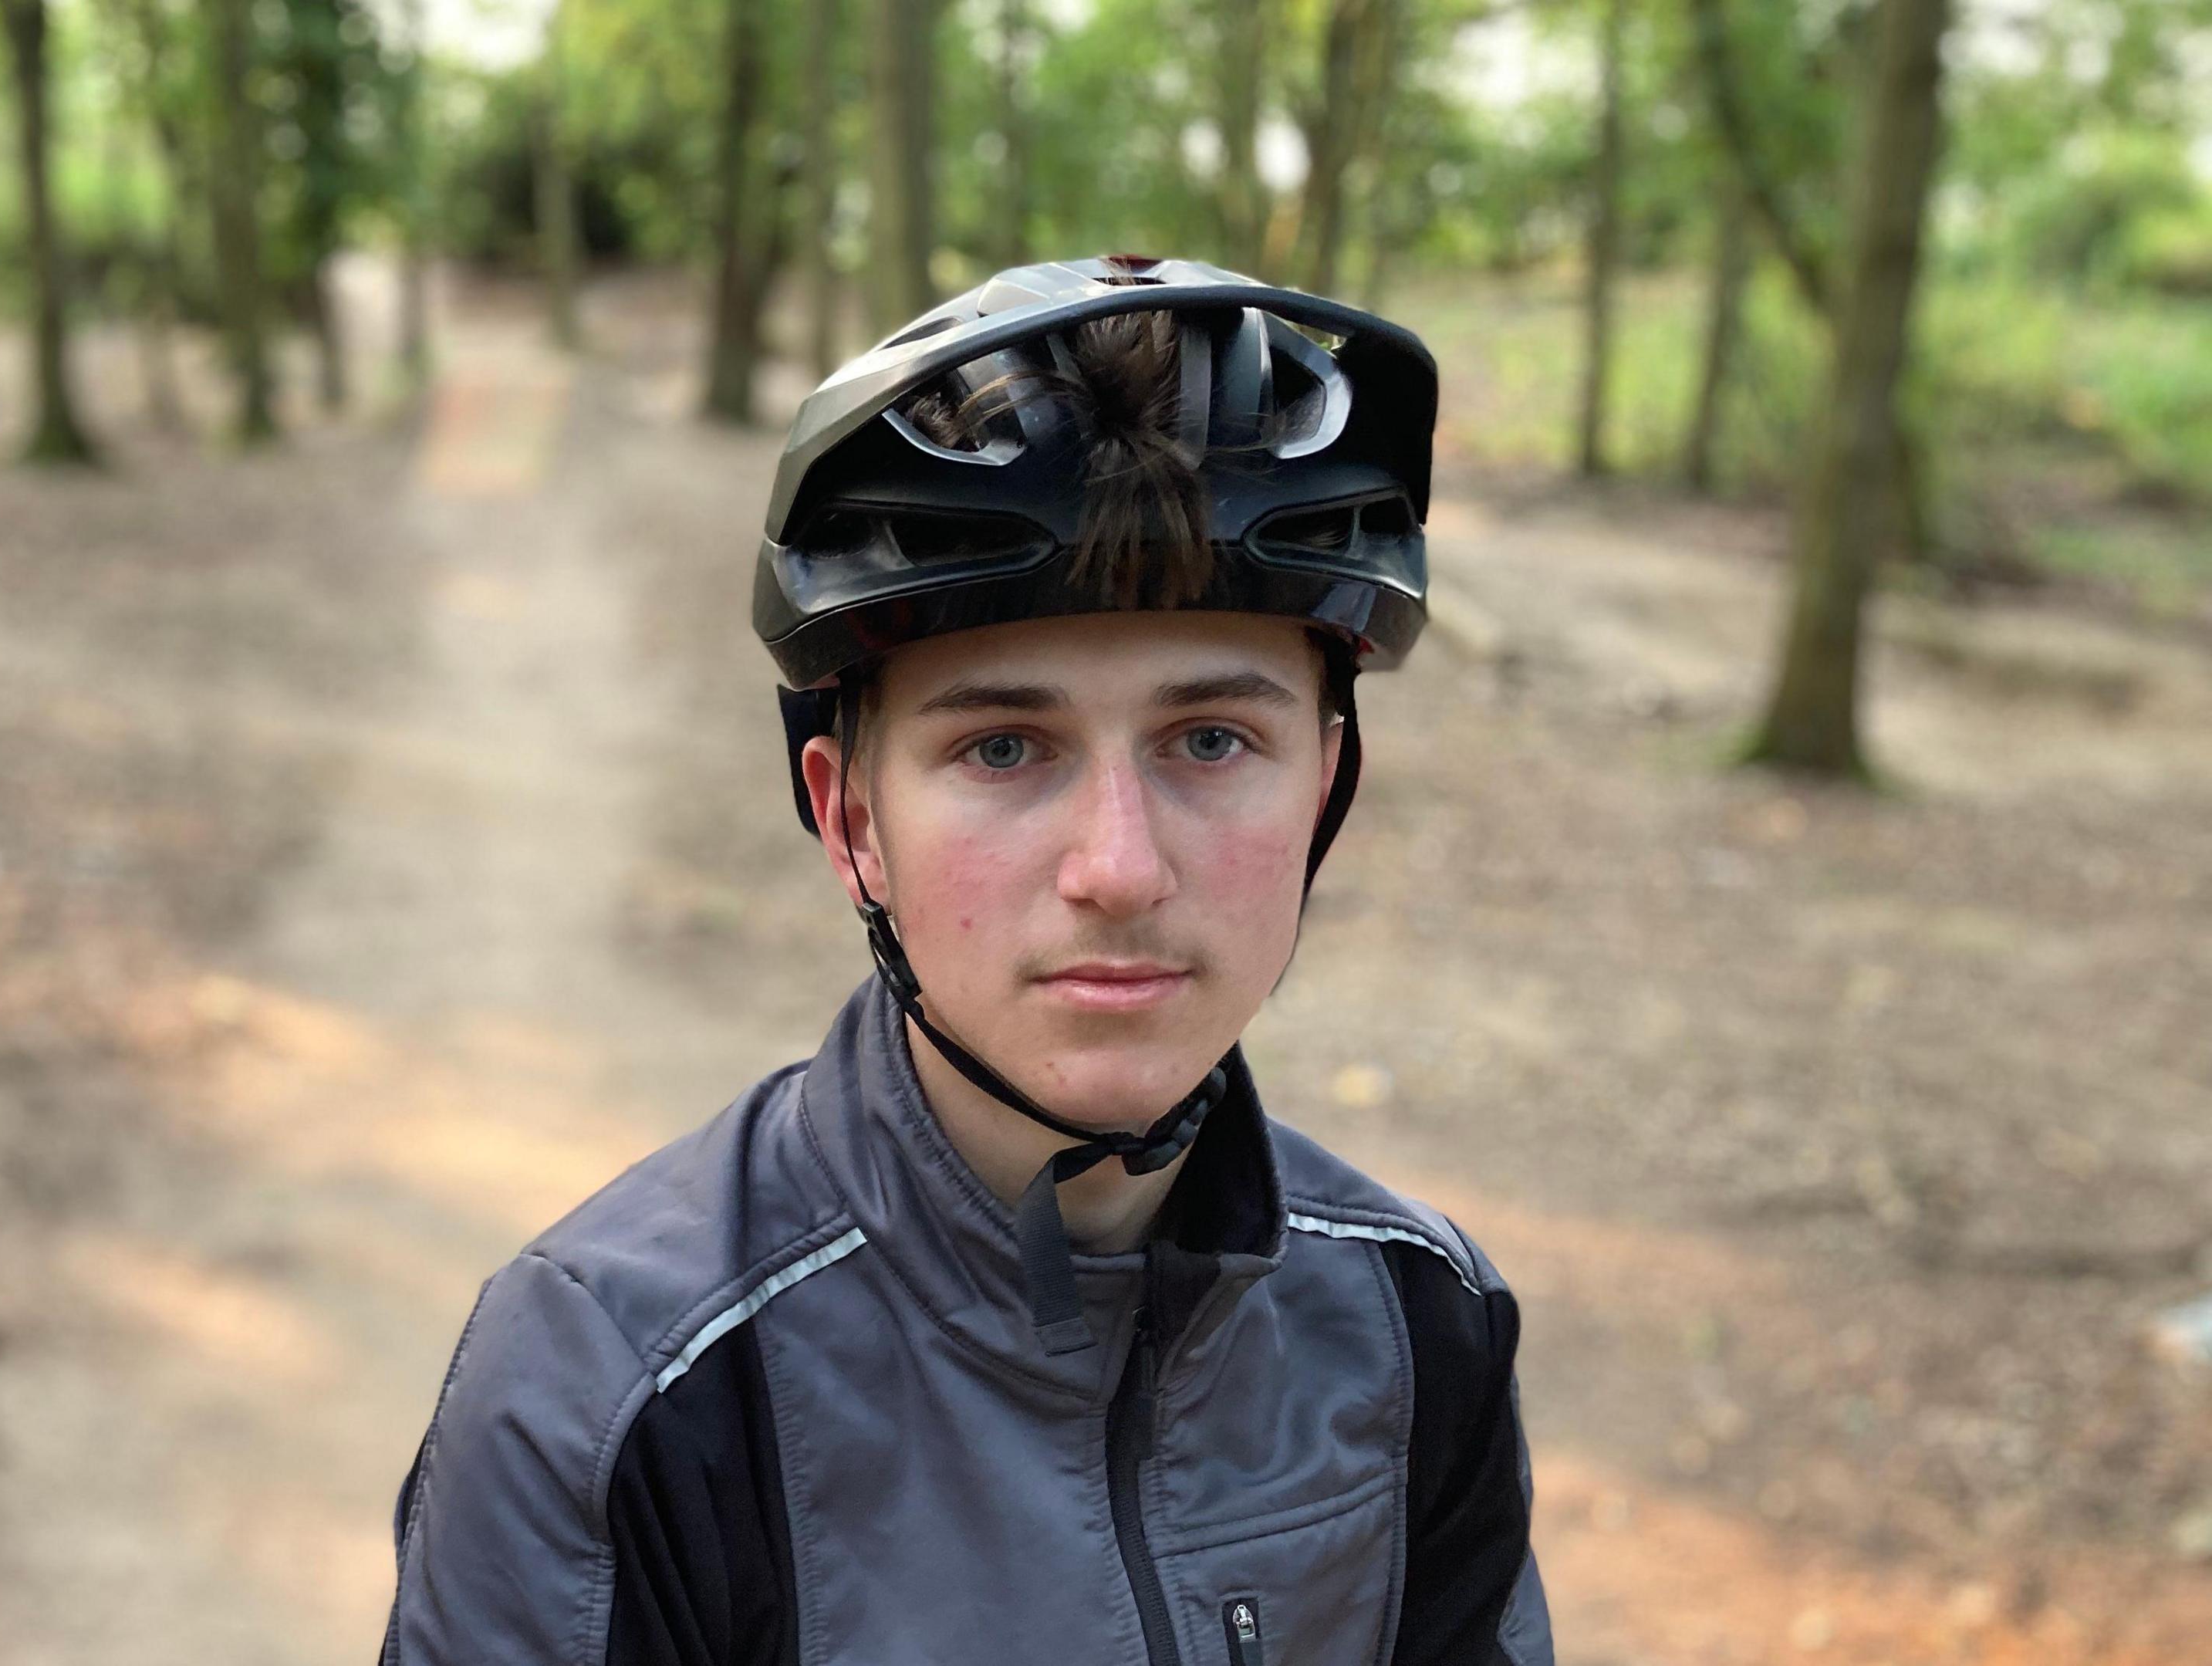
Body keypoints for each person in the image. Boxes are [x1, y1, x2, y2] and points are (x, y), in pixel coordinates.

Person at [379, 255, 1555, 1666]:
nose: (1118, 868)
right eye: (1004, 748)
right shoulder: (617, 1388)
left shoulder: (1421, 1325)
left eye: (1212, 741)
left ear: (1327, 782)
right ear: (851, 818)